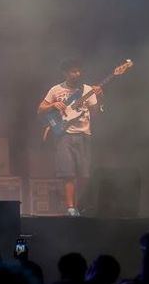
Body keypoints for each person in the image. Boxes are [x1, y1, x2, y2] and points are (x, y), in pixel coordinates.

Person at [37, 58, 103, 217]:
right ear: (65, 73)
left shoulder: (88, 89)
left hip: (84, 134)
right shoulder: (55, 90)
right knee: (68, 173)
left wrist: (99, 97)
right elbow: (40, 110)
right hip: (64, 135)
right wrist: (52, 105)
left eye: (78, 71)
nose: (77, 74)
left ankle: (80, 204)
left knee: (84, 175)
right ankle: (70, 208)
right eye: (73, 71)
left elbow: (96, 114)